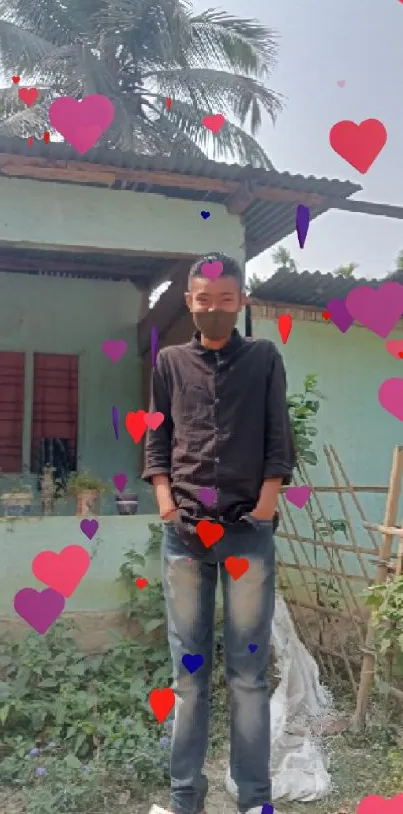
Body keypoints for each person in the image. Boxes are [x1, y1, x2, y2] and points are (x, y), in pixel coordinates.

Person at [143, 252, 295, 814]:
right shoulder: (170, 364)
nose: (213, 310)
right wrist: (164, 504)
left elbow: (278, 440)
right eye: (204, 301)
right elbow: (157, 438)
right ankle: (186, 798)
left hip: (246, 535)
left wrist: (262, 508)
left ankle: (254, 798)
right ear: (190, 303)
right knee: (189, 675)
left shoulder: (263, 359)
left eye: (225, 301)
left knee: (249, 676)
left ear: (241, 302)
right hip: (184, 535)